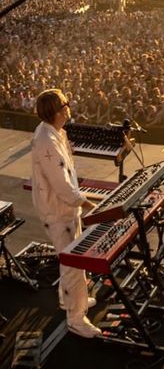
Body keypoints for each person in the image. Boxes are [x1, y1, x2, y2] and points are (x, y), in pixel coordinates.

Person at [31, 89, 101, 338]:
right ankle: (76, 318)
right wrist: (92, 207)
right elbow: (62, 185)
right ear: (57, 111)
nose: (69, 106)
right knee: (74, 264)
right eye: (65, 104)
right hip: (59, 211)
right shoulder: (47, 141)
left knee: (69, 259)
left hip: (63, 209)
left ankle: (67, 298)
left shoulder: (54, 132)